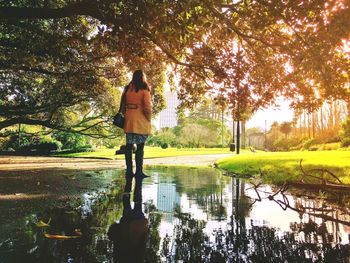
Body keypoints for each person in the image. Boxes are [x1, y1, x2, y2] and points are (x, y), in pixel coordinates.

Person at [121, 70, 152, 193]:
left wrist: (126, 114)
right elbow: (147, 106)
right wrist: (148, 118)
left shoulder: (127, 89)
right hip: (141, 120)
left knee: (129, 146)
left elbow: (122, 104)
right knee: (140, 147)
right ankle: (139, 172)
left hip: (129, 120)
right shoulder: (145, 90)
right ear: (143, 77)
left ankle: (129, 171)